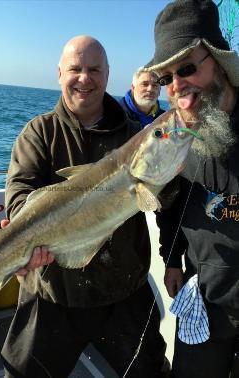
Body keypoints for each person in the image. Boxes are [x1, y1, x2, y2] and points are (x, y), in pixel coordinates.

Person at [2, 35, 168, 378]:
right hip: (52, 290)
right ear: (59, 73)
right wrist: (24, 237)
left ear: (107, 75)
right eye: (75, 69)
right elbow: (20, 194)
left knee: (151, 372)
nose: (84, 78)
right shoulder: (39, 133)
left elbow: (167, 200)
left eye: (94, 69)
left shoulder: (135, 135)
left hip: (124, 289)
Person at [144, 0, 239, 377]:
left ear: (218, 61)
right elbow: (172, 204)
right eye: (166, 78)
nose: (177, 86)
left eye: (185, 68)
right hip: (204, 304)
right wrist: (170, 258)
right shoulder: (180, 138)